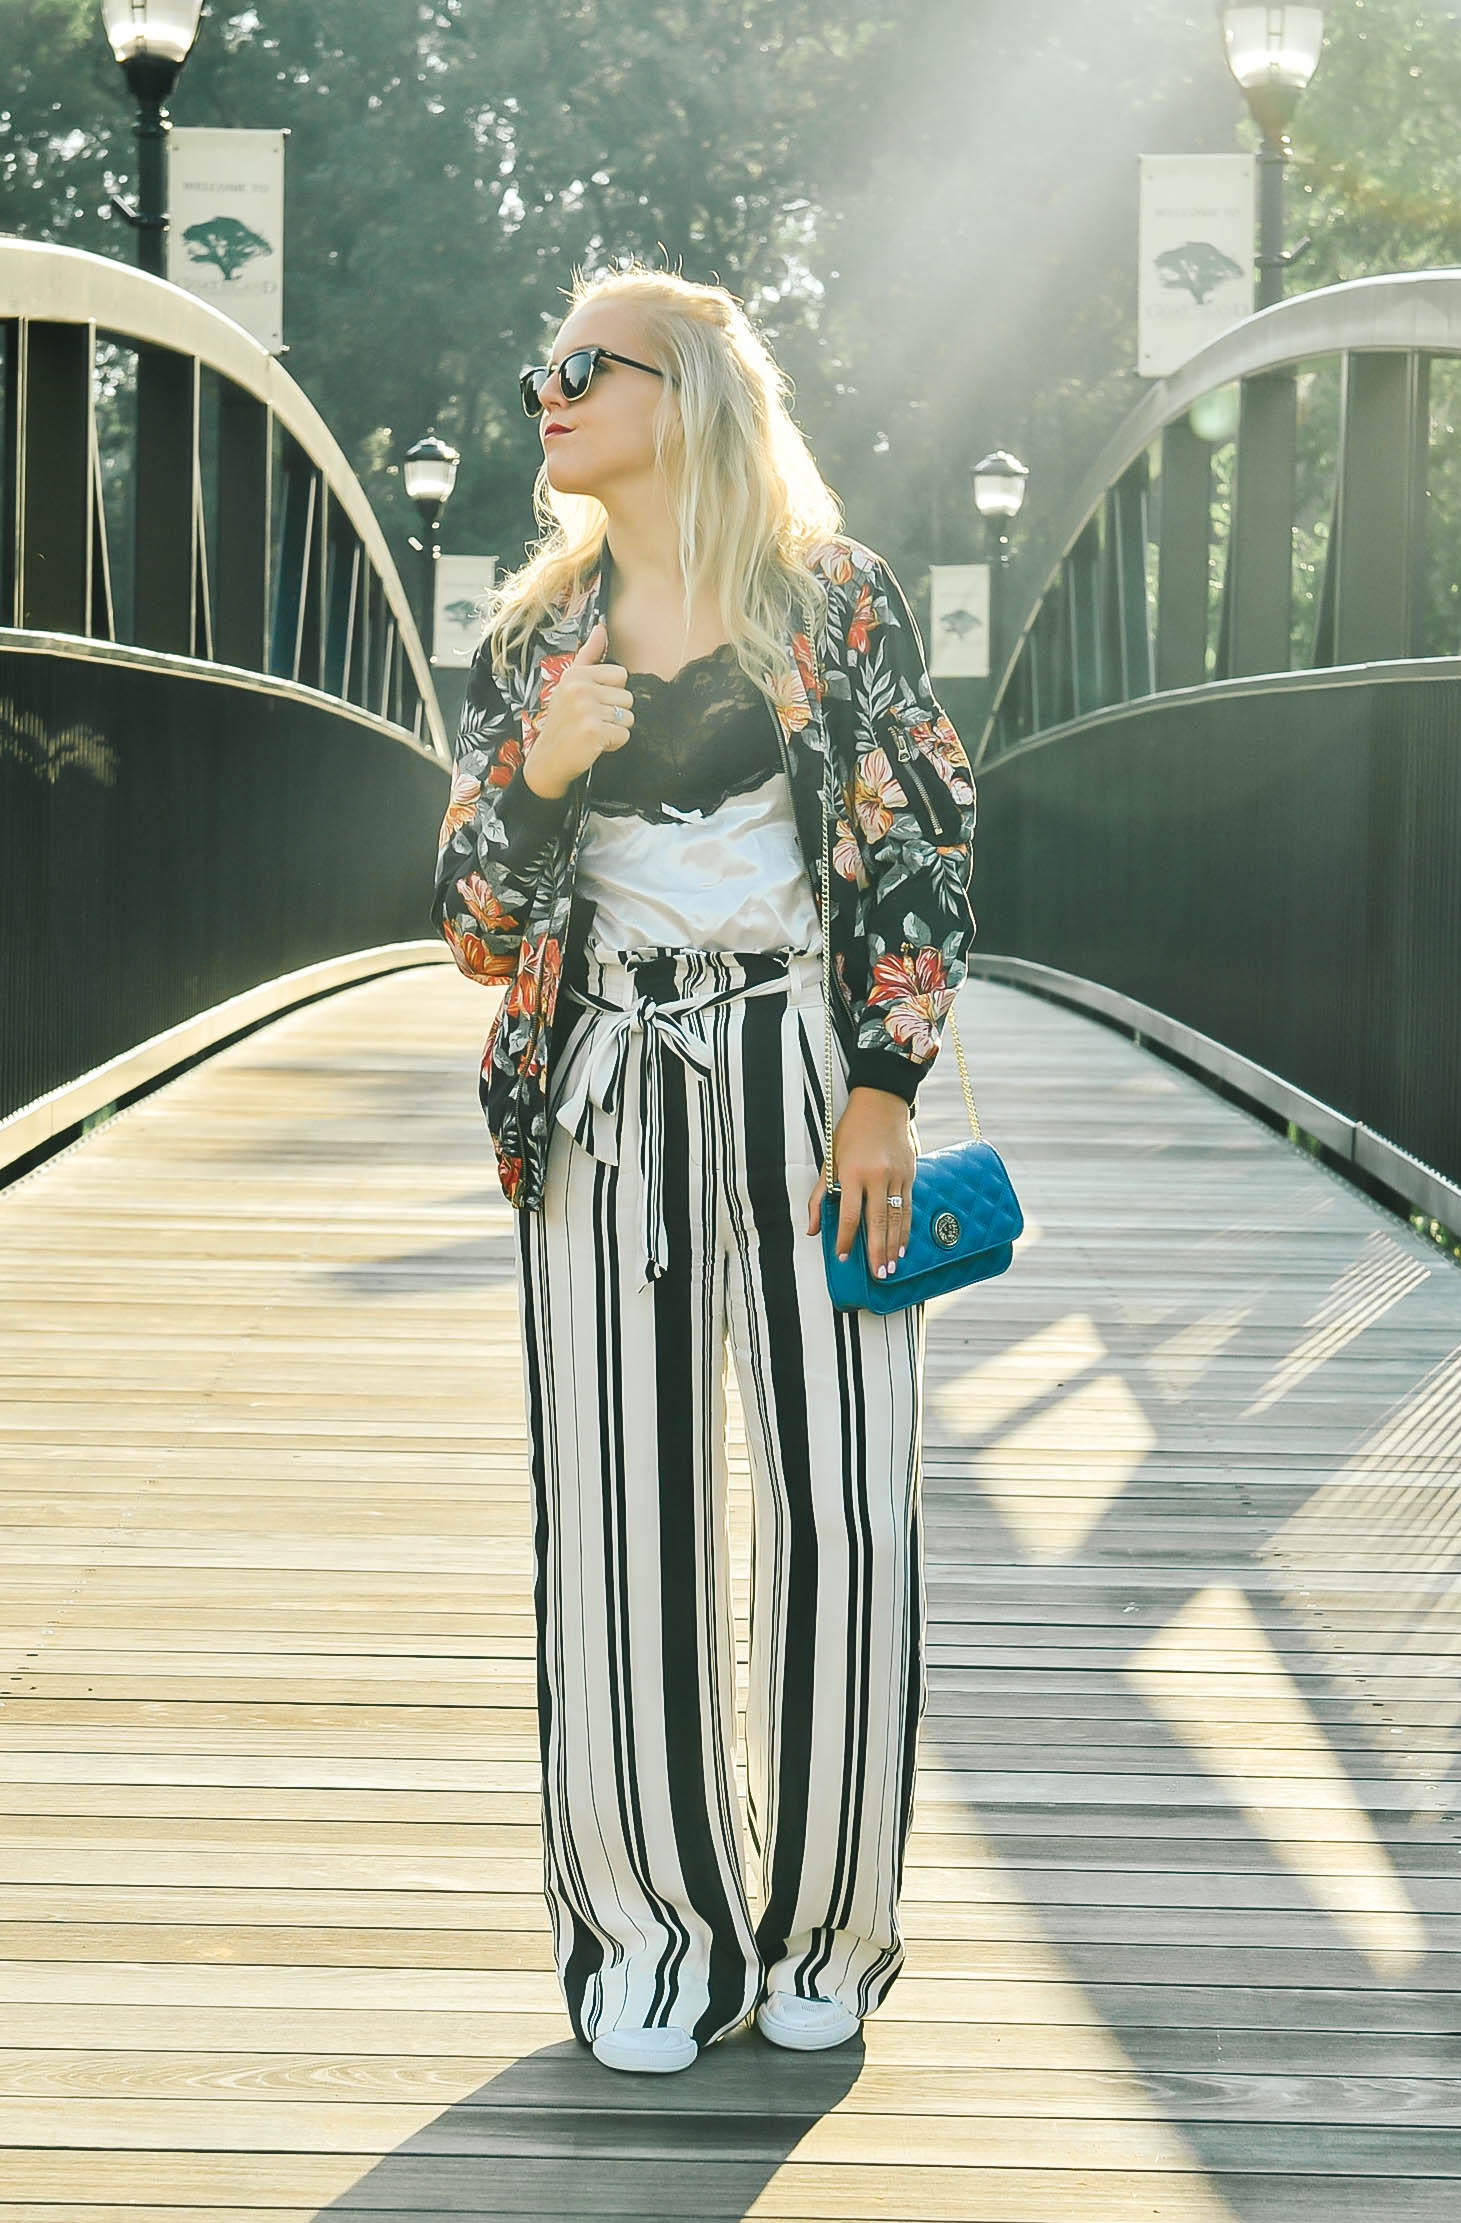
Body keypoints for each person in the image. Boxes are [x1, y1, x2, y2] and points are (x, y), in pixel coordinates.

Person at [431, 259, 977, 2076]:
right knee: (616, 1519)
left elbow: (922, 841)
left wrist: (886, 1083)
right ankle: (653, 1942)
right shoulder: (536, 642)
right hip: (597, 1085)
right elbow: (472, 926)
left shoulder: (830, 603)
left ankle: (832, 1930)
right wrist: (537, 774)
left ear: (695, 390)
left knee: (845, 1505)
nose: (547, 393)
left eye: (586, 364)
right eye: (541, 368)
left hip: (807, 1071)